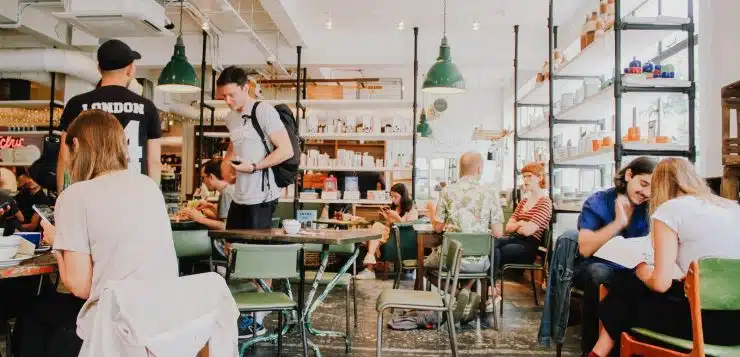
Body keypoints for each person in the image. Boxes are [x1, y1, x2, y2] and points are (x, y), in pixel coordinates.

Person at [31, 110, 178, 355]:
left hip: (115, 327)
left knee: (33, 316)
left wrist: (58, 243)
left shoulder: (74, 196)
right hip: (160, 321)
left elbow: (80, 287)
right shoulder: (148, 186)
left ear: (75, 145)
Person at [589, 158, 740, 357]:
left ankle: (598, 352)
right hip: (736, 325)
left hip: (705, 326)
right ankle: (598, 353)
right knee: (629, 292)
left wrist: (643, 272)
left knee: (626, 285)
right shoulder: (732, 207)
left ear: (659, 185)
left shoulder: (670, 210)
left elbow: (660, 284)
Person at [566, 156, 657, 354]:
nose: (646, 193)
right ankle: (590, 348)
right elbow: (585, 248)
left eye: (652, 189)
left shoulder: (650, 208)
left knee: (651, 280)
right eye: (643, 184)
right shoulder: (598, 202)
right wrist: (617, 224)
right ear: (629, 174)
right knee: (601, 274)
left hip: (633, 269)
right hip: (593, 266)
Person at [57, 39, 162, 194]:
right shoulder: (147, 107)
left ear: (99, 68)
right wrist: (154, 197)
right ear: (130, 70)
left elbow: (65, 156)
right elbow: (154, 161)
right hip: (134, 193)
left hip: (90, 194)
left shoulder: (77, 104)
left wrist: (63, 196)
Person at [216, 66, 292, 229]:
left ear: (245, 88)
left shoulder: (263, 110)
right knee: (231, 247)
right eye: (223, 96)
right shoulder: (230, 118)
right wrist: (226, 164)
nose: (227, 101)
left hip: (262, 196)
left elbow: (286, 150)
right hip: (239, 195)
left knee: (252, 251)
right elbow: (235, 144)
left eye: (231, 95)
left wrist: (253, 167)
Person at [432, 152, 504, 322]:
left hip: (452, 260)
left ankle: (460, 295)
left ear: (460, 169)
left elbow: (437, 228)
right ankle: (468, 294)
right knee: (475, 253)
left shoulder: (447, 191)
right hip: (480, 263)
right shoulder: (490, 193)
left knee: (427, 267)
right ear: (479, 168)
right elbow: (498, 233)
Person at [492, 162, 552, 303]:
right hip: (513, 238)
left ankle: (490, 288)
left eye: (529, 177)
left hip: (528, 247)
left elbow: (528, 231)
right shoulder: (524, 201)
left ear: (539, 178)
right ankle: (491, 288)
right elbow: (508, 227)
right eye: (524, 177)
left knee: (495, 250)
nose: (525, 180)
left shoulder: (545, 203)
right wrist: (520, 223)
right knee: (491, 242)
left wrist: (519, 225)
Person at [356, 183, 419, 280]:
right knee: (376, 228)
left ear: (403, 196)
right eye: (392, 196)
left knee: (375, 232)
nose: (393, 199)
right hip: (391, 235)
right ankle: (370, 266)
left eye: (396, 197)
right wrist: (386, 216)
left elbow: (409, 227)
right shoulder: (395, 208)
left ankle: (370, 268)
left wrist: (396, 217)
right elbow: (390, 225)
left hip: (401, 239)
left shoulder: (412, 210)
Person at [15, 167, 53, 232]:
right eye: (29, 177)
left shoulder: (43, 200)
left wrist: (13, 228)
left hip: (29, 233)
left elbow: (32, 226)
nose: (30, 180)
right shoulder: (22, 194)